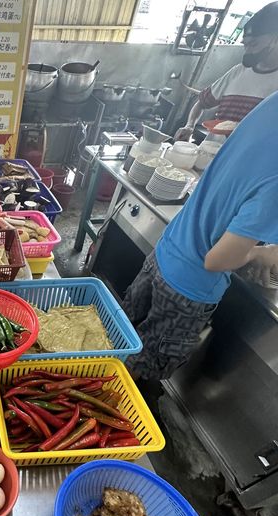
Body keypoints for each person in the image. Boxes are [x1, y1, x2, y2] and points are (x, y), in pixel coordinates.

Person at [122, 91, 278, 381]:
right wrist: (263, 252)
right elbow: (217, 260)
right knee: (144, 370)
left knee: (120, 337)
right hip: (188, 288)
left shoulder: (271, 105)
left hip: (163, 252)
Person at [175, 1, 278, 141]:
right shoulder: (238, 71)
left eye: (254, 44)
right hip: (209, 152)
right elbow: (201, 103)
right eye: (245, 45)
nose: (248, 51)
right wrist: (189, 126)